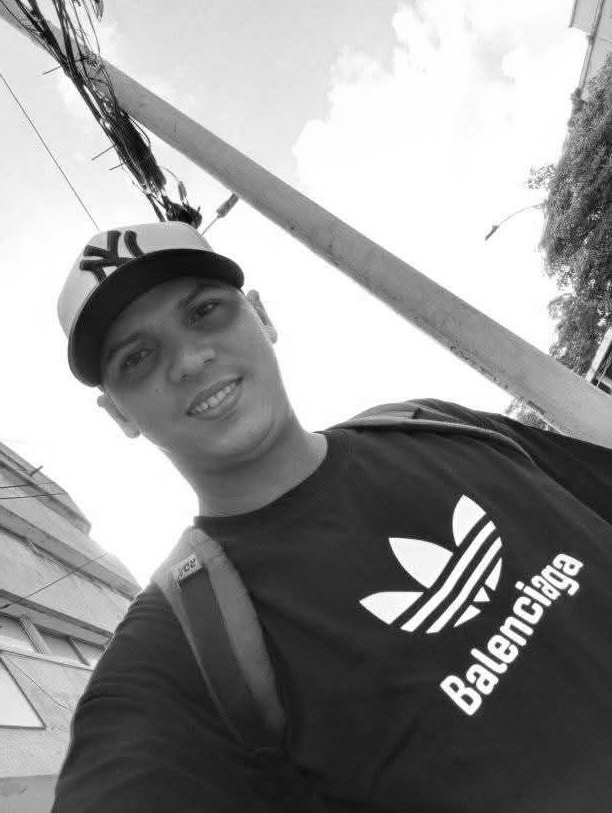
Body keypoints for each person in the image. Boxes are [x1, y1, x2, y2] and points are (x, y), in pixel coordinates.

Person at [52, 221, 612, 812]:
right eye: (137, 357)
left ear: (261, 315)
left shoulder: (432, 424)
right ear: (119, 414)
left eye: (204, 311)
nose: (189, 360)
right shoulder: (186, 643)